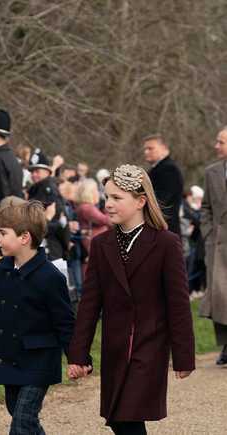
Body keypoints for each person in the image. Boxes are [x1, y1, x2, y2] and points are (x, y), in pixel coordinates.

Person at [68, 165, 195, 435]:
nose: (108, 204)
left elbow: (179, 305)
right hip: (115, 348)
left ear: (140, 201)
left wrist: (183, 356)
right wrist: (77, 354)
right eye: (106, 197)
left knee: (128, 415)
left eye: (116, 198)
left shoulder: (166, 243)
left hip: (149, 347)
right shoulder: (101, 244)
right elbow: (89, 304)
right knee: (119, 418)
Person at [0, 200, 75, 434]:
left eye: (3, 233)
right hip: (11, 357)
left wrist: (75, 358)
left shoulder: (50, 277)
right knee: (21, 417)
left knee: (22, 422)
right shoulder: (5, 266)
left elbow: (65, 322)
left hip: (39, 361)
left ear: (24, 237)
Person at [198, 127, 227, 365]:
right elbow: (205, 206)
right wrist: (208, 234)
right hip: (217, 246)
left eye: (221, 142)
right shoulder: (211, 172)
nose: (216, 146)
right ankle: (226, 345)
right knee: (219, 297)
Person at [144, 134, 184, 236]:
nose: (146, 152)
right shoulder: (159, 168)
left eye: (150, 148)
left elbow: (162, 200)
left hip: (164, 229)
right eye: (145, 149)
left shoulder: (169, 169)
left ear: (163, 148)